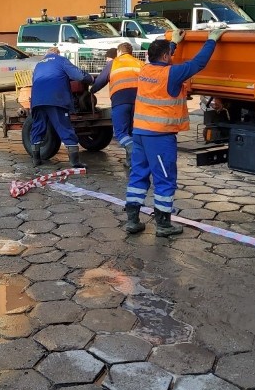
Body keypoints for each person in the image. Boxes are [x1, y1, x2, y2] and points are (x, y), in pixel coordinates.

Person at [124, 28, 225, 236]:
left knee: (138, 175)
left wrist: (174, 44)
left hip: (140, 133)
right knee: (165, 178)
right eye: (169, 54)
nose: (171, 56)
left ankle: (132, 220)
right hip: (160, 137)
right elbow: (198, 64)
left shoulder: (145, 70)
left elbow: (163, 57)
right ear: (164, 56)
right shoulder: (171, 74)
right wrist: (212, 40)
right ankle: (163, 224)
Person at [29, 47, 94, 169]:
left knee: (38, 126)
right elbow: (78, 76)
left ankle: (36, 159)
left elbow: (35, 80)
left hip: (37, 99)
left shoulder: (39, 65)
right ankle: (75, 162)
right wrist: (90, 79)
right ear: (57, 53)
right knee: (64, 127)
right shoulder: (61, 60)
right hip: (55, 98)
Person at [92, 42, 143, 168]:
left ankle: (133, 151)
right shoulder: (140, 63)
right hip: (139, 102)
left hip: (121, 100)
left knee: (121, 133)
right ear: (131, 52)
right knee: (132, 132)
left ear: (119, 52)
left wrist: (91, 91)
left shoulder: (114, 63)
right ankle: (131, 162)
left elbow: (100, 81)